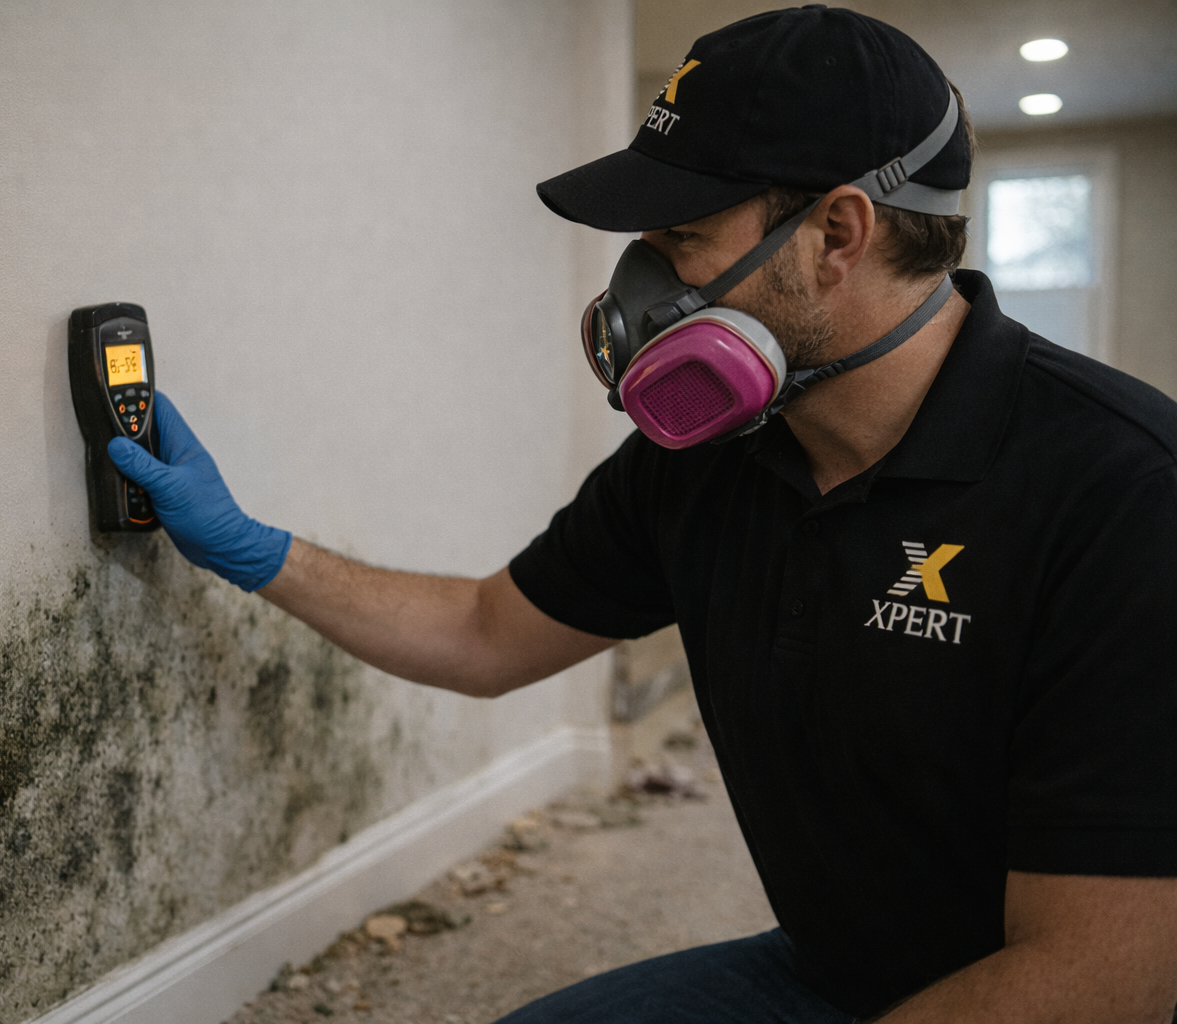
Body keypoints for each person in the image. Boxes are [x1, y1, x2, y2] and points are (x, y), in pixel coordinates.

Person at [109, 7, 1177, 1021]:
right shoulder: (706, 463)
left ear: (837, 234)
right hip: (834, 971)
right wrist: (253, 550)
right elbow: (484, 632)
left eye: (681, 235)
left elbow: (1104, 984)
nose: (640, 287)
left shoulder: (1124, 492)